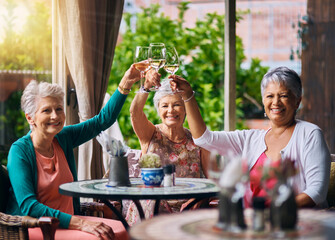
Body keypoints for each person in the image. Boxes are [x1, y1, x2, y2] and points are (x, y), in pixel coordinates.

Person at [6, 65, 160, 240]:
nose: (55, 116)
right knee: (100, 237)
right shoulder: (19, 151)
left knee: (122, 228)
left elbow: (102, 121)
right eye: (46, 110)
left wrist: (126, 82)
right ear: (30, 117)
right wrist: (81, 223)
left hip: (70, 221)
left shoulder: (62, 137)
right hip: (38, 226)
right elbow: (29, 206)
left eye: (58, 109)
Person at [169, 66, 331, 209]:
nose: (276, 102)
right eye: (270, 96)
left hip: (296, 224)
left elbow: (316, 193)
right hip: (254, 224)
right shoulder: (250, 138)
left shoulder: (310, 134)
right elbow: (204, 139)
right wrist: (187, 96)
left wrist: (272, 211)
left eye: (283, 96)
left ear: (297, 101)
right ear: (263, 100)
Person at [124, 70, 210, 225]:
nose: (170, 111)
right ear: (159, 110)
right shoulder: (150, 134)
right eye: (165, 106)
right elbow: (135, 112)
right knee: (150, 198)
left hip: (187, 210)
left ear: (185, 110)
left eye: (177, 105)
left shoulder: (199, 140)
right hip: (152, 208)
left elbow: (214, 179)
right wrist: (146, 88)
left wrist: (200, 198)